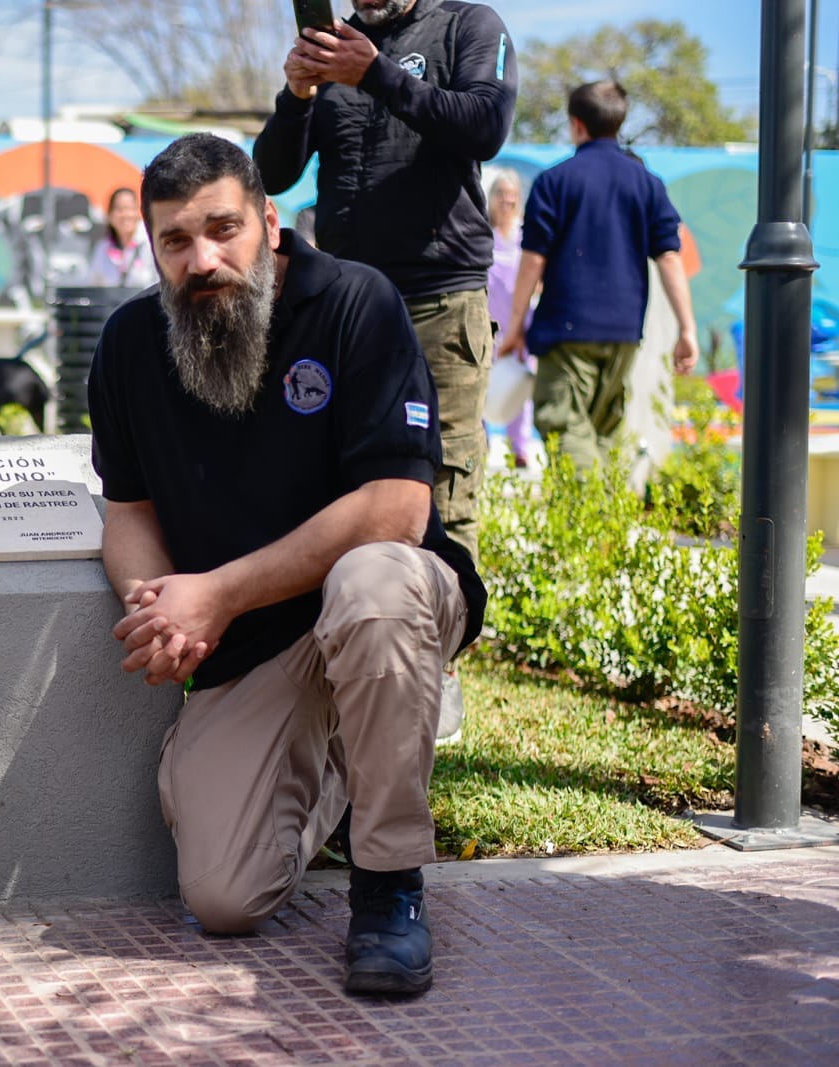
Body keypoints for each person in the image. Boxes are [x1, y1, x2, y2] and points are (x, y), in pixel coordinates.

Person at [89, 134, 485, 995]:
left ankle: (389, 888)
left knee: (370, 585)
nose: (204, 260)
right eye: (176, 242)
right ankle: (352, 759)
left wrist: (219, 593)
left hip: (385, 593)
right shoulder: (128, 345)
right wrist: (158, 607)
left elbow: (398, 507)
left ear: (268, 222)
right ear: (151, 249)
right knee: (225, 896)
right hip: (256, 640)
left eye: (223, 229)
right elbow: (127, 513)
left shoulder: (356, 302)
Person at [251, 0, 515, 743]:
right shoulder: (332, 45)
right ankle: (340, 656)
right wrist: (297, 95)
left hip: (441, 299)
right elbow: (271, 174)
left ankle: (439, 669)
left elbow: (484, 125)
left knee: (444, 483)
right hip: (347, 307)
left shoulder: (469, 26)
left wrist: (376, 74)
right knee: (335, 480)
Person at [498, 81, 699, 469]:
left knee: (564, 427)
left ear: (576, 124)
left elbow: (534, 259)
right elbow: (670, 257)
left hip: (566, 330)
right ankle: (603, 522)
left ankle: (592, 526)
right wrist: (686, 329)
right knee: (603, 432)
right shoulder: (647, 183)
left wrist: (517, 324)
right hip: (624, 332)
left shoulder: (555, 181)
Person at [486, 170, 534, 468]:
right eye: (501, 193)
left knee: (519, 388)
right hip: (488, 326)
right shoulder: (483, 236)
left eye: (511, 194)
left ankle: (521, 449)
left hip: (519, 325)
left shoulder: (523, 237)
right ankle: (481, 443)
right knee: (482, 385)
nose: (507, 200)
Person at [87, 187, 158, 289]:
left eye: (130, 208)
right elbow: (93, 286)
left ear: (138, 212)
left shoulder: (151, 242)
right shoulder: (102, 248)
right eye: (119, 209)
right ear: (110, 215)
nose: (125, 215)